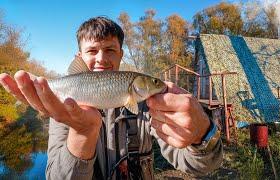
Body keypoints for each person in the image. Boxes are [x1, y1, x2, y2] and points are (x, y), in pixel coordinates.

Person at [0, 16, 223, 179]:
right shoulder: (63, 110)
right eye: (91, 51)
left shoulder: (148, 106)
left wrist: (202, 135)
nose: (101, 59)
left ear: (121, 54)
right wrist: (82, 133)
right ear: (79, 56)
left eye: (110, 50)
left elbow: (200, 167)